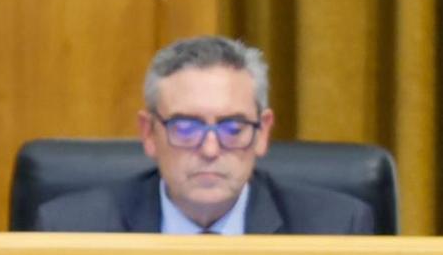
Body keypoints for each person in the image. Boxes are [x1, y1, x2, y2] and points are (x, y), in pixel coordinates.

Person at [36, 35, 373, 234]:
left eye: (233, 128)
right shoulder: (69, 230)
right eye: (186, 128)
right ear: (149, 133)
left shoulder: (336, 228)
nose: (210, 149)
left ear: (262, 133)